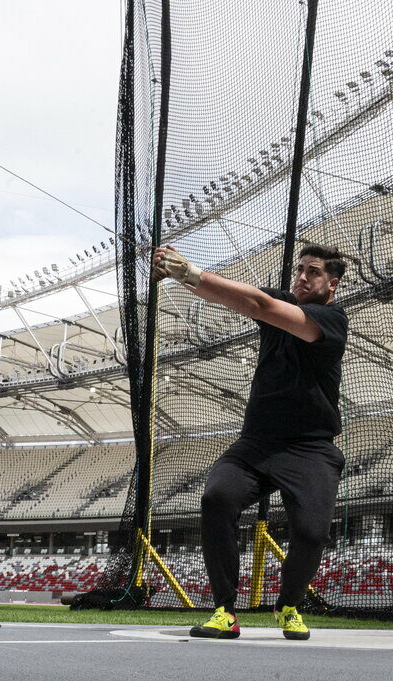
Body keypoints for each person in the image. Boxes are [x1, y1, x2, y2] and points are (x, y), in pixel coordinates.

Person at [152, 243, 347, 640]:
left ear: (333, 284)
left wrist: (191, 272)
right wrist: (181, 277)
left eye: (313, 272)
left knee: (311, 533)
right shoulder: (278, 302)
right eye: (300, 270)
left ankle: (289, 605)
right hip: (256, 444)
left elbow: (259, 305)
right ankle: (225, 611)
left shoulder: (332, 320)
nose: (303, 278)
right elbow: (239, 299)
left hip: (310, 448)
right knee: (217, 498)